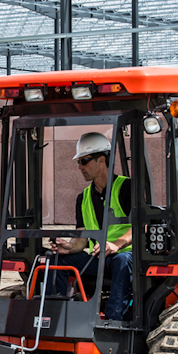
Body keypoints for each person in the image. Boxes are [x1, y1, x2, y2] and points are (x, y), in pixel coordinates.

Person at [49, 132, 135, 321]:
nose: (79, 167)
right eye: (78, 162)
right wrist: (69, 247)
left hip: (127, 256)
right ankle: (56, 316)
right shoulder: (84, 198)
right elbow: (82, 238)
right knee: (56, 259)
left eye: (84, 161)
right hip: (100, 258)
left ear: (101, 160)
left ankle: (113, 321)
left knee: (122, 261)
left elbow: (141, 227)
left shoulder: (127, 188)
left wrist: (116, 244)